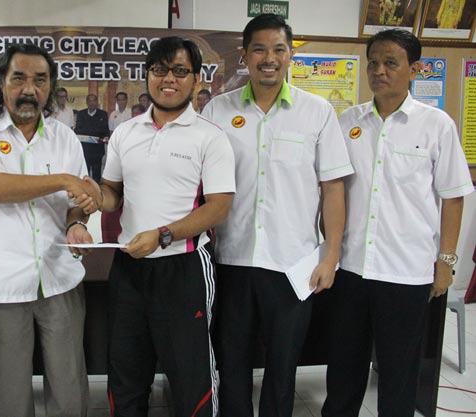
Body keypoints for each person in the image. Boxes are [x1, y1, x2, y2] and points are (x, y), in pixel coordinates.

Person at [202, 13, 353, 417]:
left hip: (293, 264)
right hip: (231, 260)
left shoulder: (317, 112)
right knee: (231, 363)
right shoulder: (217, 111)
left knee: (283, 367)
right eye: (260, 50)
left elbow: (333, 189)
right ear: (244, 56)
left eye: (279, 50)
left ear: (290, 57)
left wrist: (331, 256)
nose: (269, 58)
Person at [322, 29, 472, 417]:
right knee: (343, 370)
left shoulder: (436, 125)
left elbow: (453, 196)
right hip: (351, 269)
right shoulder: (347, 122)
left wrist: (446, 262)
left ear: (414, 69)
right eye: (373, 62)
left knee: (398, 373)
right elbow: (332, 189)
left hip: (406, 273)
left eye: (390, 62)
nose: (379, 70)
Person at [0, 43, 100, 417]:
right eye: (18, 78)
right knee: (7, 395)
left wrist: (78, 223)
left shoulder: (63, 136)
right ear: (1, 82)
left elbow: (76, 201)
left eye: (40, 80)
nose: (29, 89)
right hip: (2, 282)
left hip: (60, 277)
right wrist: (64, 179)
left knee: (70, 390)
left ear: (50, 87)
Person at [97, 36, 235, 417]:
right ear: (147, 76)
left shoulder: (210, 136)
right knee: (126, 371)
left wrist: (162, 235)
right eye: (159, 70)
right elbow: (112, 192)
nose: (168, 79)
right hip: (128, 268)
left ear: (195, 78)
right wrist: (91, 201)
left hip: (184, 267)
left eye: (179, 71)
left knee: (191, 376)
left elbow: (219, 207)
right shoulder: (126, 133)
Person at [74, 94, 109, 183]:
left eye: (94, 101)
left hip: (98, 150)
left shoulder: (103, 114)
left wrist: (105, 137)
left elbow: (105, 131)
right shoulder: (81, 114)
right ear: (86, 102)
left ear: (97, 102)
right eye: (90, 100)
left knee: (97, 173)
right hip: (85, 149)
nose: (92, 103)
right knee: (85, 173)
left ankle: (97, 192)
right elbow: (78, 130)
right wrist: (93, 133)